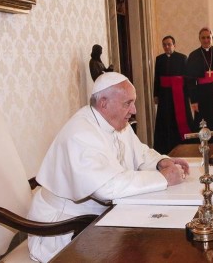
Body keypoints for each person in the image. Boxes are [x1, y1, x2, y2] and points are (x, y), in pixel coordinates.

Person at [27, 72, 190, 262]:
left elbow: (141, 153)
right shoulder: (80, 133)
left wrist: (162, 161)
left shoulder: (118, 122)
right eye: (127, 103)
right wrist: (164, 178)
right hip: (65, 231)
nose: (134, 110)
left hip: (99, 220)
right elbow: (107, 187)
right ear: (104, 102)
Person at [153, 35, 194, 154]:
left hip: (180, 94)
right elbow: (157, 78)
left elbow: (187, 78)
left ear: (174, 45)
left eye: (169, 44)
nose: (166, 46)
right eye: (164, 44)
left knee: (181, 120)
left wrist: (188, 95)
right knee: (165, 120)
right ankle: (165, 147)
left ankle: (183, 145)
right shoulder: (159, 59)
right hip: (165, 95)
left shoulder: (182, 58)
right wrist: (156, 94)